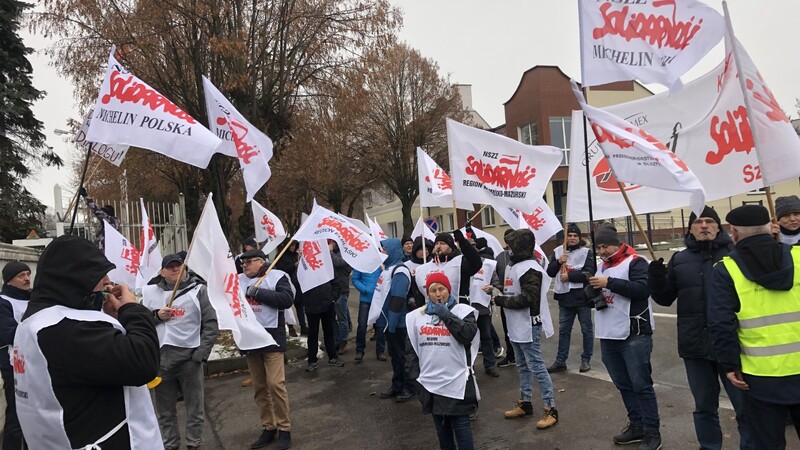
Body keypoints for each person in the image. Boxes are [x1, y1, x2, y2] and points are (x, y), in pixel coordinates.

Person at [13, 235, 161, 449]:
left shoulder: (36, 321)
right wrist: (133, 309)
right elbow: (142, 360)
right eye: (99, 274)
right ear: (76, 277)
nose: (107, 281)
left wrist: (110, 318)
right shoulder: (65, 330)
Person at [648, 206, 751, 449]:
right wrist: (656, 279)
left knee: (746, 408)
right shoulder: (680, 259)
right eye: (698, 222)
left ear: (718, 226)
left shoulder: (736, 254)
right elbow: (665, 299)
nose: (704, 226)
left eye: (709, 221)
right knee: (704, 407)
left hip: (733, 346)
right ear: (690, 229)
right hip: (695, 347)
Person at [708, 205, 800, 449]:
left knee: (767, 444)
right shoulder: (798, 257)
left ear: (734, 233)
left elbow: (721, 323)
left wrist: (730, 365)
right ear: (771, 227)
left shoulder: (726, 269)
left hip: (760, 377)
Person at [589, 223, 661, 450]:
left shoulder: (636, 262)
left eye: (605, 246)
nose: (602, 251)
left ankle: (652, 432)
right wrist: (590, 291)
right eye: (599, 247)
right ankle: (637, 426)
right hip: (608, 333)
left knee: (641, 385)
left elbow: (642, 290)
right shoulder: (601, 266)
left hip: (634, 333)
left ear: (616, 244)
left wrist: (608, 283)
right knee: (623, 384)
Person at [142, 253, 219, 450]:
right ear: (161, 272)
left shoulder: (199, 291)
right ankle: (170, 445)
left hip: (189, 360)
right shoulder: (149, 292)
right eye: (170, 267)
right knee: (164, 412)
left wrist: (200, 355)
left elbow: (211, 324)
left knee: (195, 409)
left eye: (179, 265)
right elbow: (140, 323)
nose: (176, 269)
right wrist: (156, 316)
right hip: (161, 362)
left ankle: (194, 444)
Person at [489, 229, 558, 429]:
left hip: (528, 325)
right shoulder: (515, 266)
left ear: (520, 247)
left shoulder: (530, 268)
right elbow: (513, 291)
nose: (507, 249)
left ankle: (550, 408)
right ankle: (525, 402)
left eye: (510, 245)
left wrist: (501, 300)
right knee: (522, 365)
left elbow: (529, 298)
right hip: (515, 325)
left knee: (536, 366)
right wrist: (497, 292)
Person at [406, 272, 479, 450]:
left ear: (449, 290)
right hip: (430, 383)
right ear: (427, 294)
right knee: (442, 429)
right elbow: (411, 351)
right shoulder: (416, 317)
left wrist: (446, 315)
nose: (438, 294)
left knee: (461, 426)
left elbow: (467, 335)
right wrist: (415, 378)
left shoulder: (463, 311)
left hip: (457, 382)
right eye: (433, 290)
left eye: (442, 289)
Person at [239, 249, 296, 450]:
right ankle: (269, 427)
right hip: (251, 340)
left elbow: (286, 299)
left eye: (248, 262)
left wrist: (258, 293)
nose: (244, 265)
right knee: (260, 387)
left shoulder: (277, 276)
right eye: (242, 263)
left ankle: (285, 429)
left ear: (261, 262)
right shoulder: (238, 280)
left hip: (272, 338)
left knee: (275, 384)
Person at [546, 223, 595, 373]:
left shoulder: (586, 252)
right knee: (564, 331)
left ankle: (586, 359)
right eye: (570, 235)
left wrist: (571, 276)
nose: (572, 238)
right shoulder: (558, 251)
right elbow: (549, 272)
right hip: (564, 298)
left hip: (582, 297)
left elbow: (590, 273)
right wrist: (558, 262)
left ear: (579, 238)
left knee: (586, 330)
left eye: (575, 236)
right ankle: (561, 360)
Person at [375, 239, 416, 402]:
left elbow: (398, 299)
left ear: (392, 250)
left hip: (398, 323)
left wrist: (391, 324)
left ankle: (408, 387)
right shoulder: (389, 269)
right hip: (389, 322)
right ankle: (397, 384)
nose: (382, 252)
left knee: (403, 357)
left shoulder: (400, 271)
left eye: (384, 249)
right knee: (394, 356)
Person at [0, 261, 31, 449]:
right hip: (12, 364)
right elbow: (7, 333)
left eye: (28, 274)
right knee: (16, 414)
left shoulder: (34, 298)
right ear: (9, 280)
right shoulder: (3, 302)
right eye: (21, 275)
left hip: (35, 362)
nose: (27, 278)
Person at [414, 229, 482, 307]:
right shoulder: (422, 269)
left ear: (451, 247)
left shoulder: (460, 263)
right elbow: (420, 297)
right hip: (432, 310)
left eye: (442, 243)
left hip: (458, 308)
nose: (438, 246)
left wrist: (463, 242)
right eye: (436, 244)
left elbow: (476, 263)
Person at [470, 237, 501, 378]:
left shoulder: (487, 265)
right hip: (466, 308)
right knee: (468, 339)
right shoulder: (459, 265)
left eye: (473, 247)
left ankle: (490, 365)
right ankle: (469, 367)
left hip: (482, 307)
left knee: (486, 337)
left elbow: (496, 282)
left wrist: (492, 287)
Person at [302, 274, 344, 371]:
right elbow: (298, 283)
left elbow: (336, 282)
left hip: (328, 305)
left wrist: (333, 298)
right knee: (313, 334)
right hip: (311, 306)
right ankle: (312, 361)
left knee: (329, 332)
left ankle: (332, 357)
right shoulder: (304, 269)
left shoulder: (326, 267)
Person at [353, 266, 386, 361]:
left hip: (379, 299)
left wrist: (384, 269)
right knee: (362, 325)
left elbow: (388, 277)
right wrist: (366, 290)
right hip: (365, 300)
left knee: (381, 326)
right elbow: (355, 279)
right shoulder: (361, 263)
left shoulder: (381, 262)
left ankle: (380, 351)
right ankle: (359, 351)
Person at [495, 228, 517, 368]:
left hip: (520, 300)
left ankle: (523, 357)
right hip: (505, 299)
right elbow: (495, 276)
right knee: (507, 329)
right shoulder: (500, 257)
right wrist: (499, 287)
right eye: (507, 239)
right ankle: (511, 355)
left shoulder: (526, 256)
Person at [329, 240, 352, 354]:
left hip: (341, 290)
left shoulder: (346, 255)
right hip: (332, 289)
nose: (331, 244)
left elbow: (338, 263)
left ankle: (343, 341)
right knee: (332, 317)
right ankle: (336, 340)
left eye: (333, 242)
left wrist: (330, 252)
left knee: (342, 318)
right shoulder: (333, 254)